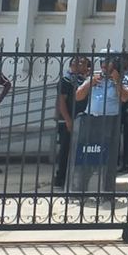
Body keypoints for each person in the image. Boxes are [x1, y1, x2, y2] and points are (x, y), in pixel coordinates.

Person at [70, 50, 128, 199]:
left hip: (109, 121)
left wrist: (117, 81)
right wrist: (89, 83)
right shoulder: (94, 76)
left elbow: (124, 98)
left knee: (108, 158)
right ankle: (80, 190)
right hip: (90, 119)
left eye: (107, 62)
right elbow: (78, 96)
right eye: (102, 62)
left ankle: (106, 192)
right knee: (86, 155)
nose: (103, 65)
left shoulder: (123, 78)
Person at [52, 56, 90, 187]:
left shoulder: (86, 81)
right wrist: (68, 120)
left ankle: (78, 178)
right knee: (66, 149)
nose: (78, 64)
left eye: (82, 63)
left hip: (83, 119)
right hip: (68, 120)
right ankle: (61, 177)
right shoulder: (67, 80)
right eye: (75, 62)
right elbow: (61, 101)